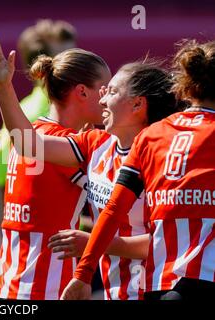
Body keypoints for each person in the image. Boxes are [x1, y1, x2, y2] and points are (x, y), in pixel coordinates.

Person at [0, 31, 179, 299]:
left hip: (152, 287)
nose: (102, 99)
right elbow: (27, 145)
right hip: (68, 288)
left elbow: (170, 241)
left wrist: (95, 243)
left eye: (110, 91)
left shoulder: (162, 156)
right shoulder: (94, 143)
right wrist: (3, 87)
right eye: (103, 88)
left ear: (137, 104)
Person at [62, 40, 215, 300]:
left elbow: (113, 209)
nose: (102, 100)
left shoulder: (152, 135)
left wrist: (83, 273)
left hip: (157, 284)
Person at [0, 48, 110, 300]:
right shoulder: (66, 144)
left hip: (7, 284)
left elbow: (46, 210)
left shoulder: (35, 130)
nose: (109, 97)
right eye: (105, 88)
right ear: (83, 92)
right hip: (44, 288)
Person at [0, 19, 77, 248]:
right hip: (43, 261)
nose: (77, 64)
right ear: (41, 69)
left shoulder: (78, 107)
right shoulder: (31, 114)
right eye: (66, 58)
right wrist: (5, 248)